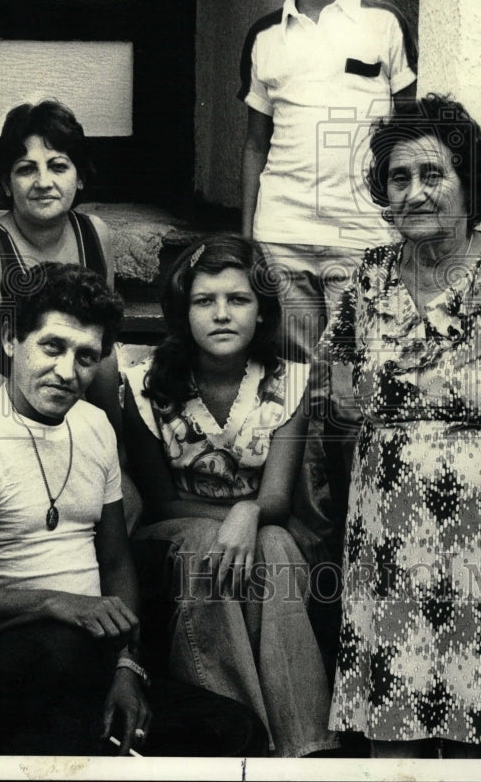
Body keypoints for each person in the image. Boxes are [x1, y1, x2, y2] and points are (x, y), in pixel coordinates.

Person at [0, 262, 267, 757]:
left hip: (90, 655)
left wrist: (127, 666)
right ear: (8, 341)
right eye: (51, 347)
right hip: (5, 655)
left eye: (86, 356)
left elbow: (115, 561)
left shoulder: (93, 427)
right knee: (65, 667)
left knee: (233, 730)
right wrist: (57, 603)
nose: (68, 372)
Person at [324, 94, 481, 758]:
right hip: (388, 541)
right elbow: (340, 381)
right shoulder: (368, 277)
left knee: (470, 726)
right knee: (388, 725)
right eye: (398, 178)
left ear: (468, 183)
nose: (414, 193)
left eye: (432, 176)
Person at [122, 235, 339, 758]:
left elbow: (277, 500)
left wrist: (249, 511)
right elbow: (159, 502)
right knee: (203, 543)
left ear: (261, 311)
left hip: (262, 529)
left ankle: (304, 747)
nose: (222, 314)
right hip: (172, 538)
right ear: (182, 310)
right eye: (205, 301)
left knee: (278, 548)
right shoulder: (143, 383)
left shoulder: (289, 382)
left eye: (238, 300)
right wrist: (238, 518)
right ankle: (235, 736)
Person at [239, 0, 418, 360]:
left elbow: (409, 136)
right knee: (294, 380)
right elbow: (256, 143)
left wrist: (402, 225)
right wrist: (250, 234)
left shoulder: (384, 25)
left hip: (362, 236)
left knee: (357, 379)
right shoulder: (264, 36)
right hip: (282, 236)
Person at [0, 98, 122, 442]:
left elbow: (102, 354)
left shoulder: (95, 236)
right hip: (5, 423)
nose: (43, 182)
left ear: (80, 177)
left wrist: (114, 441)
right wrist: (61, 427)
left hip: (77, 416)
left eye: (58, 166)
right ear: (7, 184)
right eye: (26, 169)